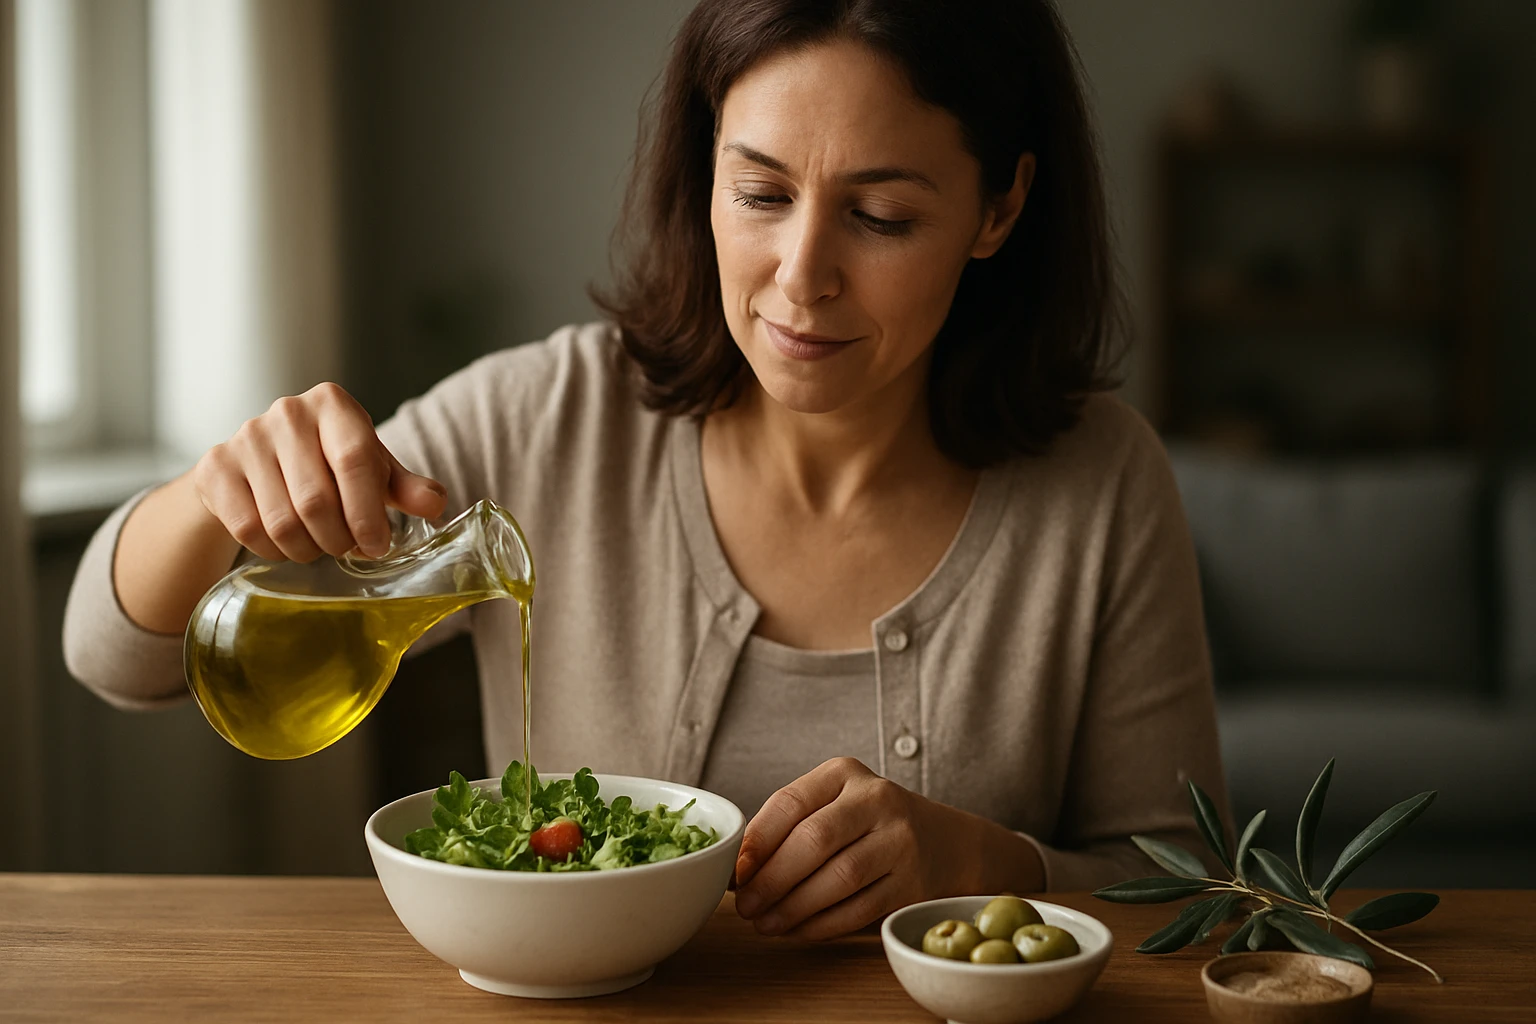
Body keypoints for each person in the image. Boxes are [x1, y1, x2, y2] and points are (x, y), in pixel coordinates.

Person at [64, 0, 1226, 941]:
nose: (799, 275)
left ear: (999, 206)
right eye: (760, 194)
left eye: (878, 216)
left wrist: (979, 859)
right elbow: (115, 654)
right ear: (703, 167)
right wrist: (214, 492)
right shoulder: (544, 422)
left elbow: (1195, 892)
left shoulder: (1101, 483)